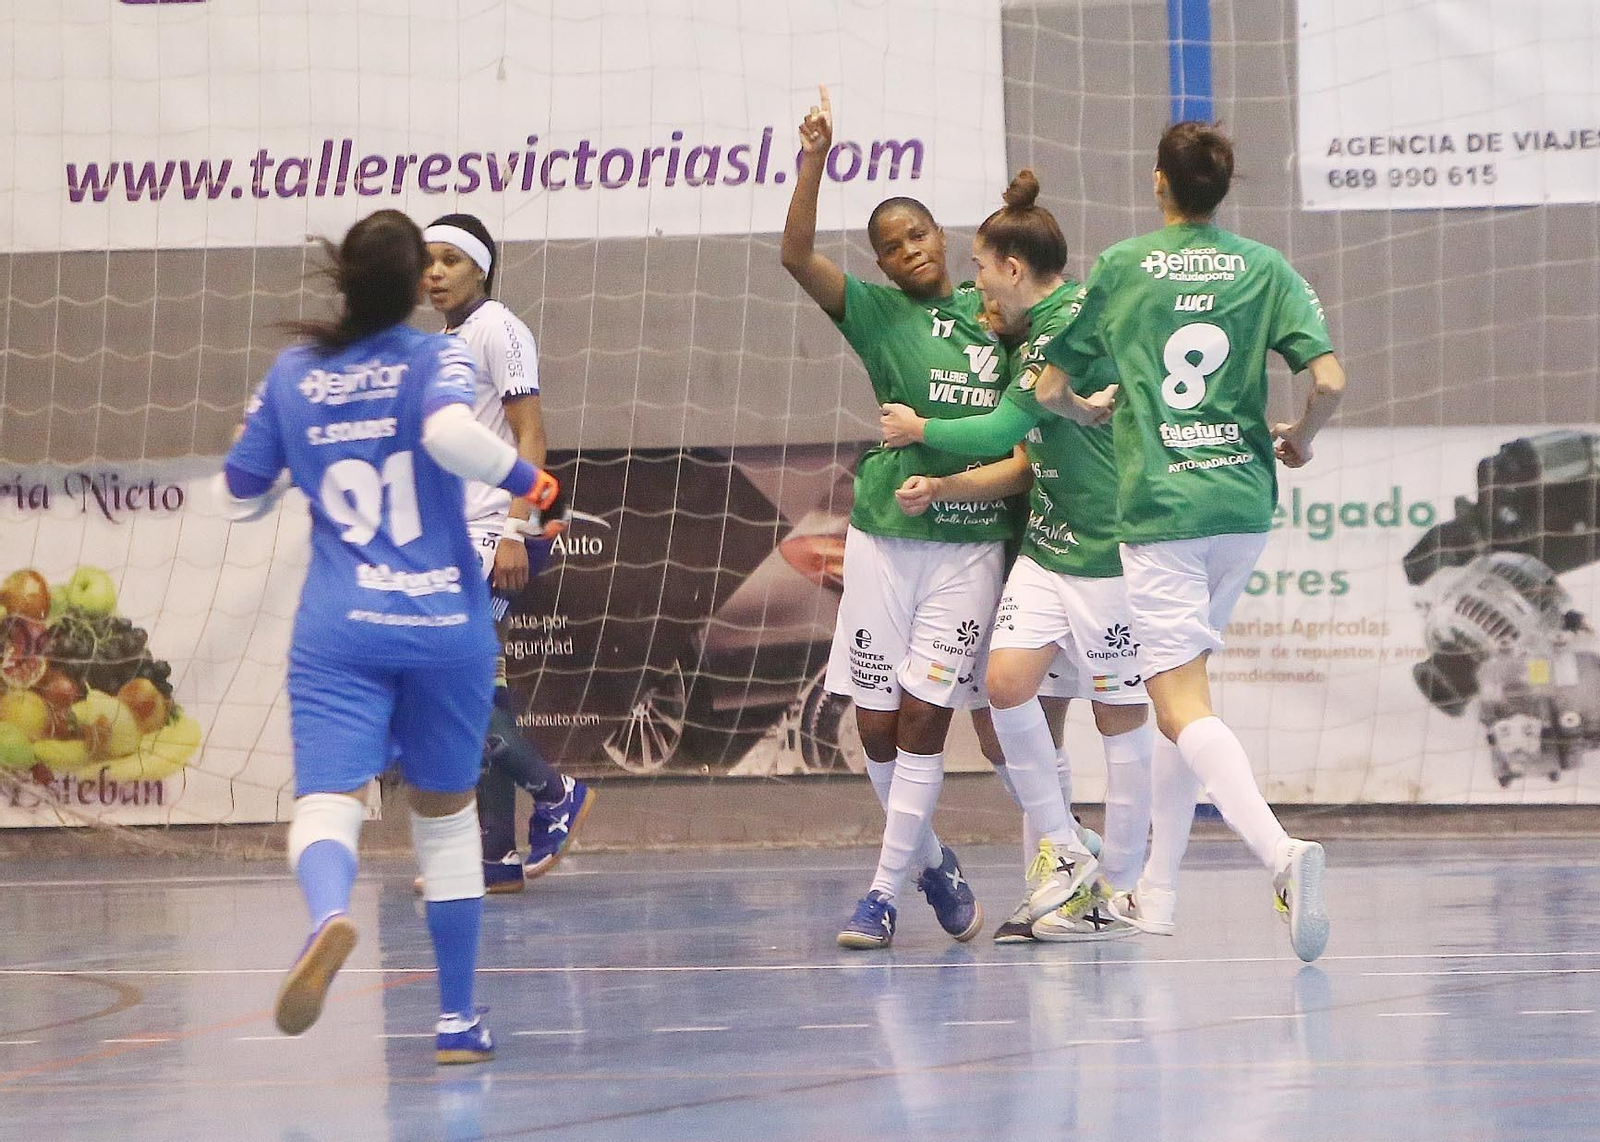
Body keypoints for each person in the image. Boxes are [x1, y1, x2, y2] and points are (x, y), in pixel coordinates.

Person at [221, 209, 561, 1061]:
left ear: (340, 278)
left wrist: (275, 459)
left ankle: (331, 915)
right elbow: (450, 436)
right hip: (444, 621)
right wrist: (532, 483)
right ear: (415, 284)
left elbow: (239, 485)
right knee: (443, 824)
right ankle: (454, 1021)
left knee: (330, 800)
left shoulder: (293, 370)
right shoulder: (435, 355)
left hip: (341, 628)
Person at [1034, 122, 1345, 962]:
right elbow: (1329, 379)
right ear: (1224, 188)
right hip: (1242, 503)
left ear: (1157, 183)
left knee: (1175, 706)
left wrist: (1083, 410)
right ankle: (1156, 894)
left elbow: (1050, 383)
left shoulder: (1127, 267)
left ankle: (1280, 854)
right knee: (1192, 701)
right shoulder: (1264, 267)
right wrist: (1304, 439)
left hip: (1163, 511)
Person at [782, 84, 1040, 949]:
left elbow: (1028, 269)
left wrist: (1021, 209)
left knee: (926, 715)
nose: (909, 251)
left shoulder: (989, 310)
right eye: (892, 247)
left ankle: (881, 895)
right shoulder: (878, 313)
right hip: (885, 536)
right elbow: (793, 254)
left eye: (919, 234)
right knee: (875, 726)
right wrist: (814, 158)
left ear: (943, 238)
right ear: (884, 267)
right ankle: (931, 860)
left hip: (968, 543)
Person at [881, 171, 1150, 944]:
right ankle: (1065, 854)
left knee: (1118, 714)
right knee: (1004, 687)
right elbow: (1026, 450)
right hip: (1046, 541)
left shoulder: (1071, 325)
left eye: (977, 265)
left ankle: (1123, 885)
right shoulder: (1027, 333)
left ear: (1012, 268)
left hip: (1105, 548)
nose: (972, 280)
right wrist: (947, 484)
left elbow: (1001, 427)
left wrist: (920, 429)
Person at [421, 212, 594, 890]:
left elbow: (532, 437)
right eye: (426, 261)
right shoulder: (443, 343)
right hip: (456, 536)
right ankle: (494, 855)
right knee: (479, 687)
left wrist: (516, 530)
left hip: (497, 530)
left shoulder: (500, 328)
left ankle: (556, 794)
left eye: (449, 260)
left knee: (454, 689)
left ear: (481, 268)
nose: (433, 272)